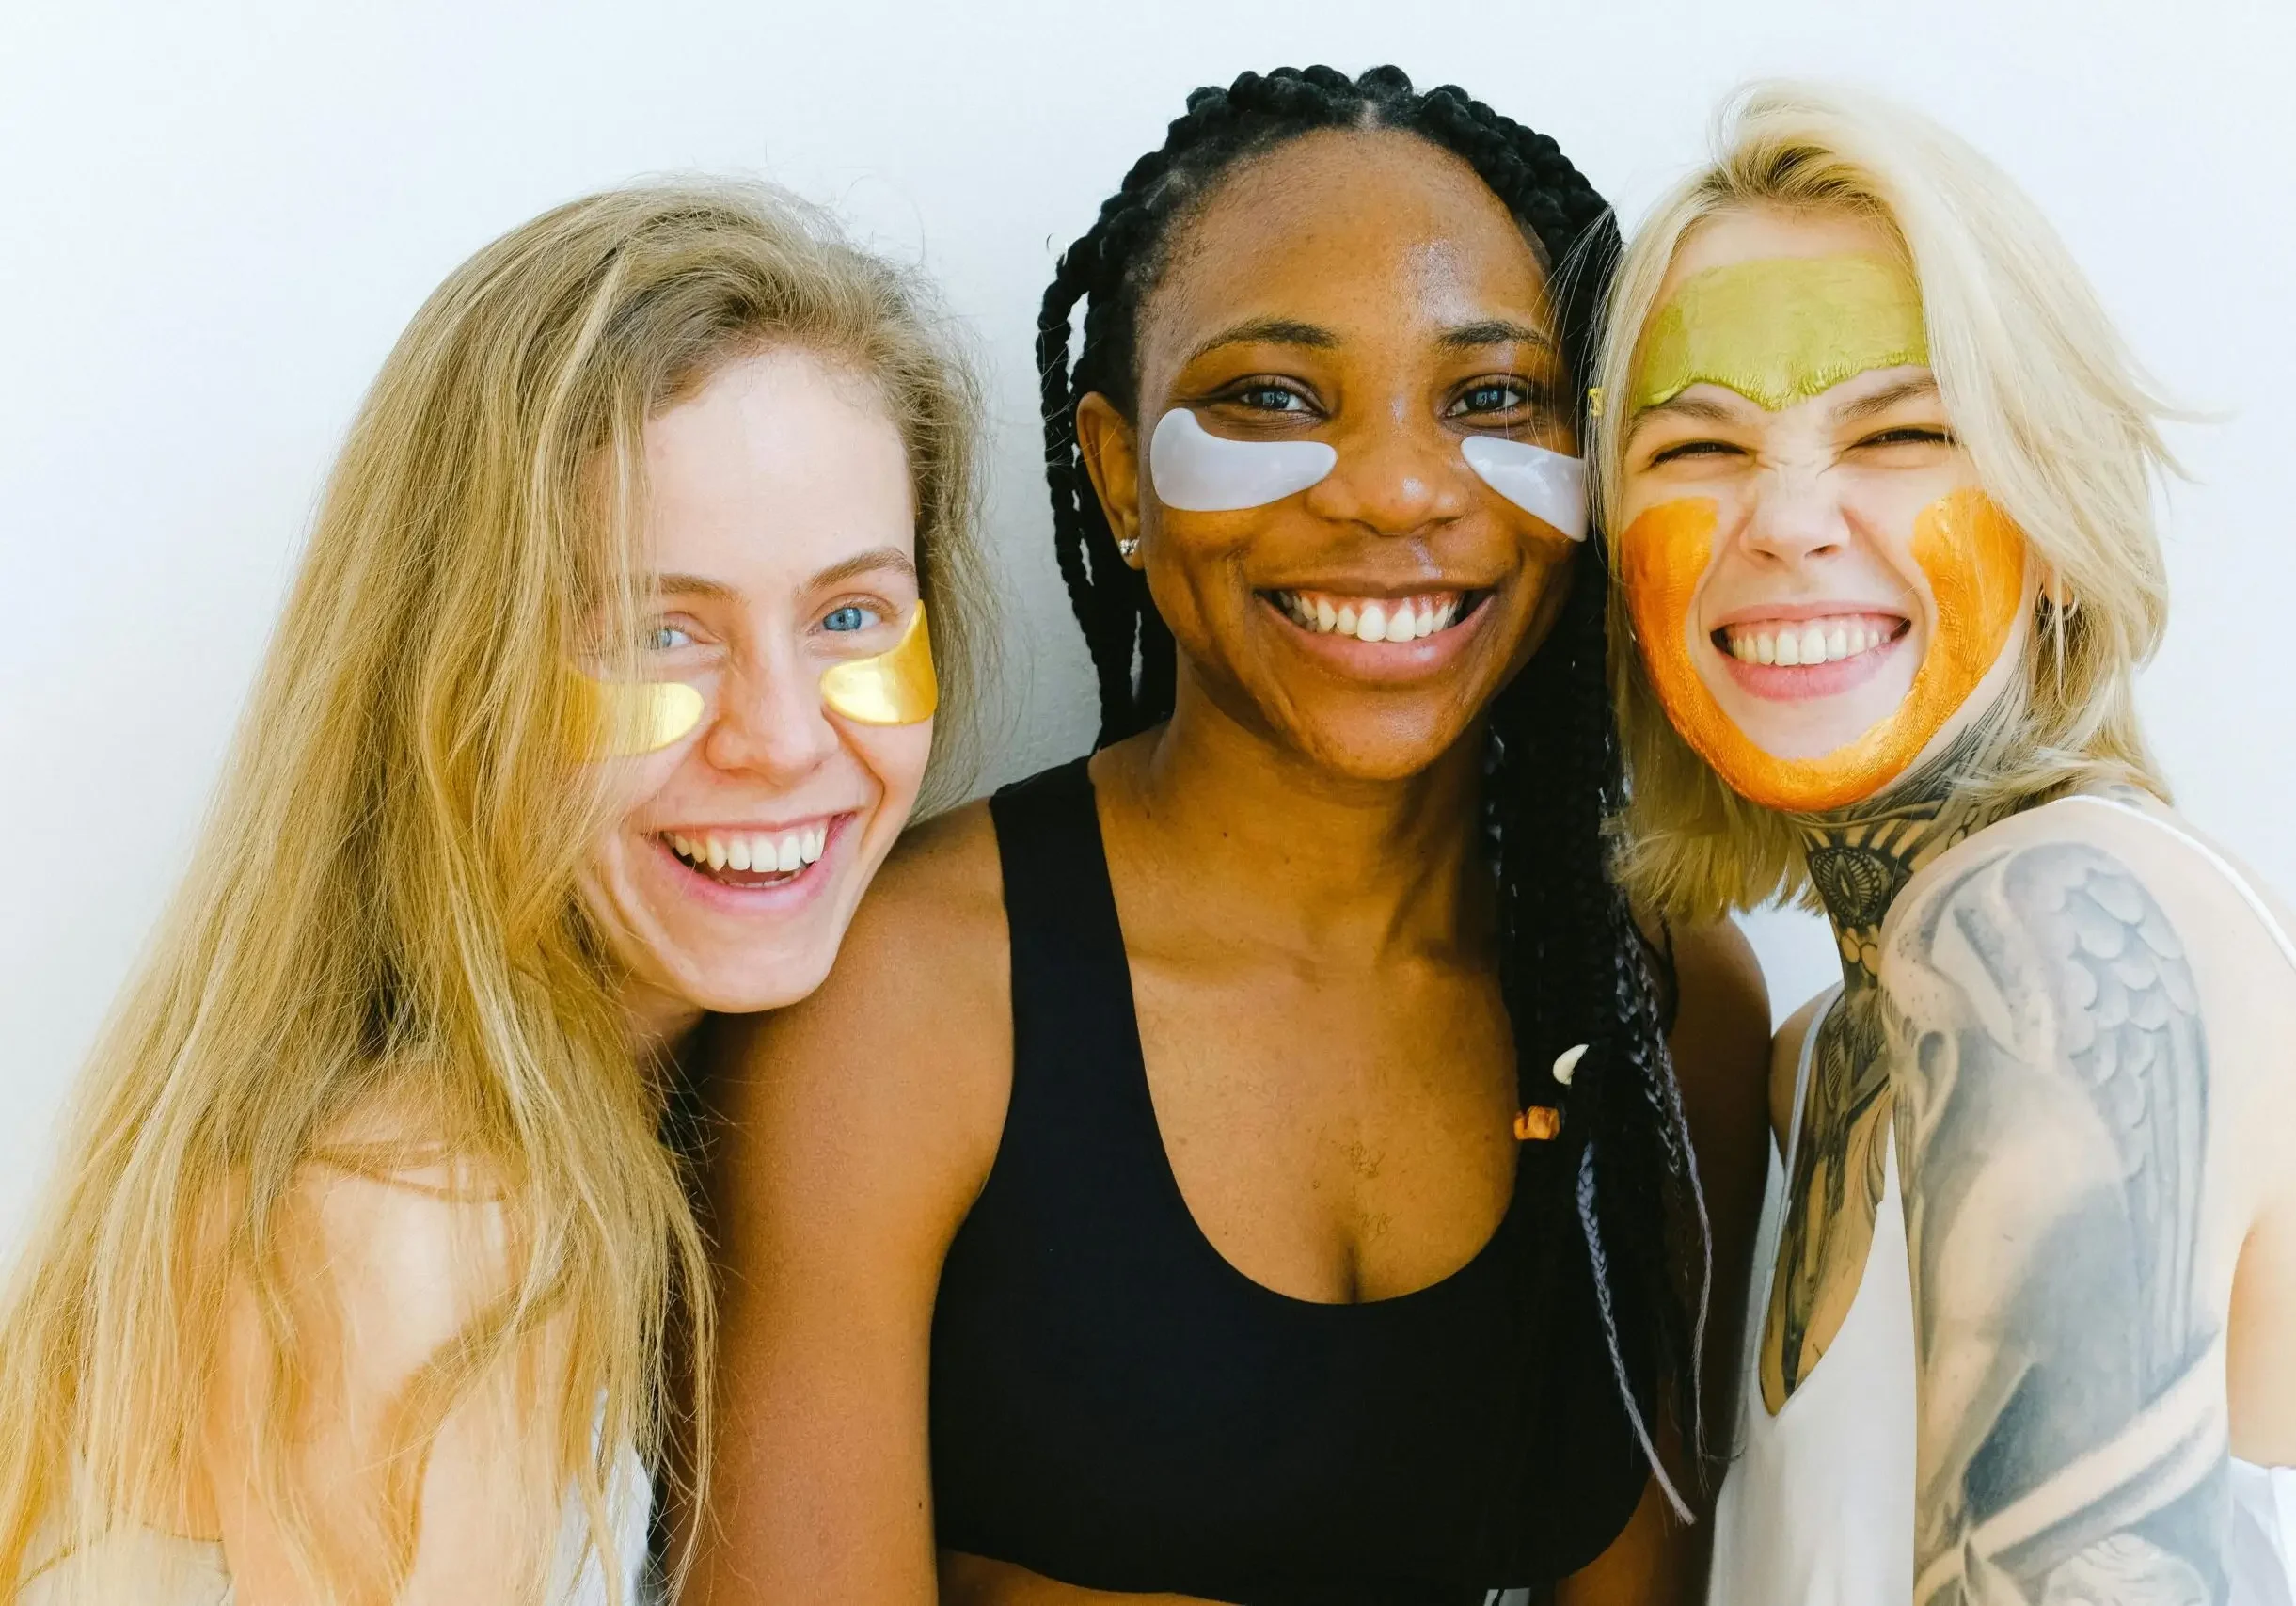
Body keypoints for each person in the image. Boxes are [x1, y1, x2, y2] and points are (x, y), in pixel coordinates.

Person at [693, 65, 1772, 1606]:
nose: (1400, 488)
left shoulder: (1668, 1004)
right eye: (1273, 396)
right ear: (1120, 469)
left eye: (1490, 400)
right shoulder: (903, 1005)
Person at [0, 181, 990, 1606]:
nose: (780, 734)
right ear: (452, 681)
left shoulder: (636, 1128)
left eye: (849, 616)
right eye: (658, 630)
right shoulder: (416, 1219)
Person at [1595, 82, 2296, 1605]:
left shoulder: (2051, 922)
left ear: (2052, 512)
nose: (1785, 518)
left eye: (1904, 429)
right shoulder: (1817, 1051)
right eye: (1697, 448)